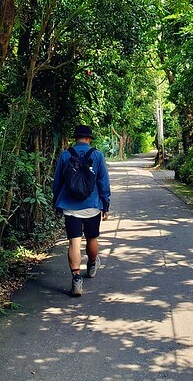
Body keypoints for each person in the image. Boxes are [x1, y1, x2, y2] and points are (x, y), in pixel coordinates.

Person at [52, 125, 111, 297]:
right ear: (89, 138)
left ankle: (76, 279)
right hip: (92, 206)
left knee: (74, 243)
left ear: (75, 138)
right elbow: (103, 182)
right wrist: (105, 204)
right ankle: (92, 265)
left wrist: (56, 202)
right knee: (92, 238)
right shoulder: (97, 155)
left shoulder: (65, 155)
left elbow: (57, 183)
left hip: (70, 207)